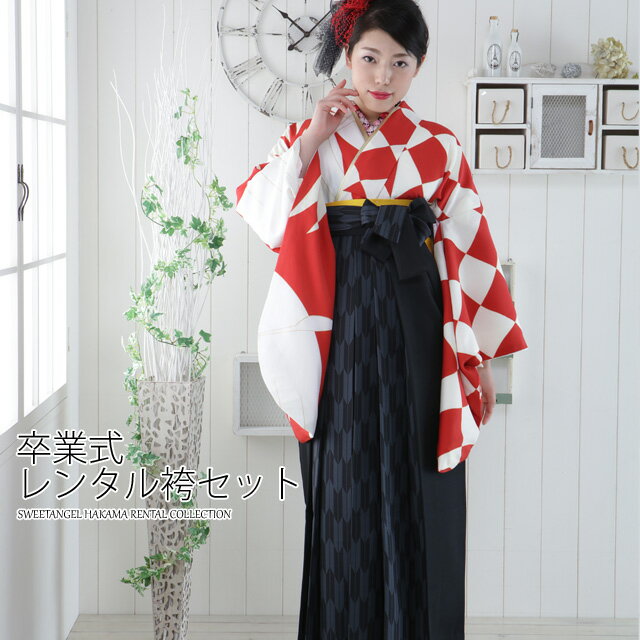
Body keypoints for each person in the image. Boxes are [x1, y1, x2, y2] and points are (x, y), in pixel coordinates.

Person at [235, 1, 528, 637]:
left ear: (418, 67)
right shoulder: (314, 136)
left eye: (401, 63)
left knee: (418, 473)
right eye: (369, 58)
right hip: (336, 325)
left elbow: (470, 250)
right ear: (346, 57)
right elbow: (263, 214)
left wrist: (477, 357)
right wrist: (312, 138)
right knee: (342, 479)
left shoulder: (439, 146)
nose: (383, 76)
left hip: (418, 325)